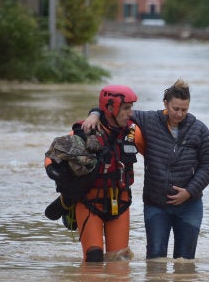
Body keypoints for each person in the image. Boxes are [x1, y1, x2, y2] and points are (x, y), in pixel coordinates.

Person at [83, 78, 209, 260]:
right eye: (175, 109)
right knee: (155, 261)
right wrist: (94, 114)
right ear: (165, 104)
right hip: (156, 206)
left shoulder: (200, 130)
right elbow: (116, 111)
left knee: (185, 263)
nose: (179, 114)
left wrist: (190, 191)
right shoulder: (149, 120)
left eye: (184, 110)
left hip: (190, 206)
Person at [44, 84, 138, 262]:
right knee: (93, 258)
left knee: (119, 261)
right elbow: (52, 156)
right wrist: (55, 173)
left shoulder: (133, 133)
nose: (130, 113)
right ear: (110, 108)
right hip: (89, 203)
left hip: (121, 203)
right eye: (126, 108)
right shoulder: (85, 131)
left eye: (131, 108)